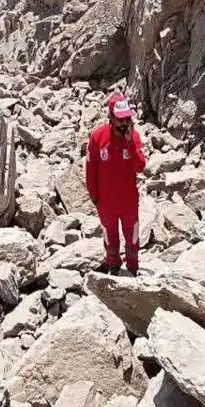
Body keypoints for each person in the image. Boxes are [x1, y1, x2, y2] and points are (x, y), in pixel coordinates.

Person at [86, 94, 146, 277]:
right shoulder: (97, 138)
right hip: (106, 202)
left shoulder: (134, 137)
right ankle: (113, 265)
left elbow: (140, 167)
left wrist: (130, 143)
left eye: (128, 118)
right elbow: (90, 171)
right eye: (120, 119)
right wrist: (95, 198)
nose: (125, 123)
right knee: (109, 237)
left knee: (132, 237)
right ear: (111, 118)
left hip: (129, 201)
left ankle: (133, 268)